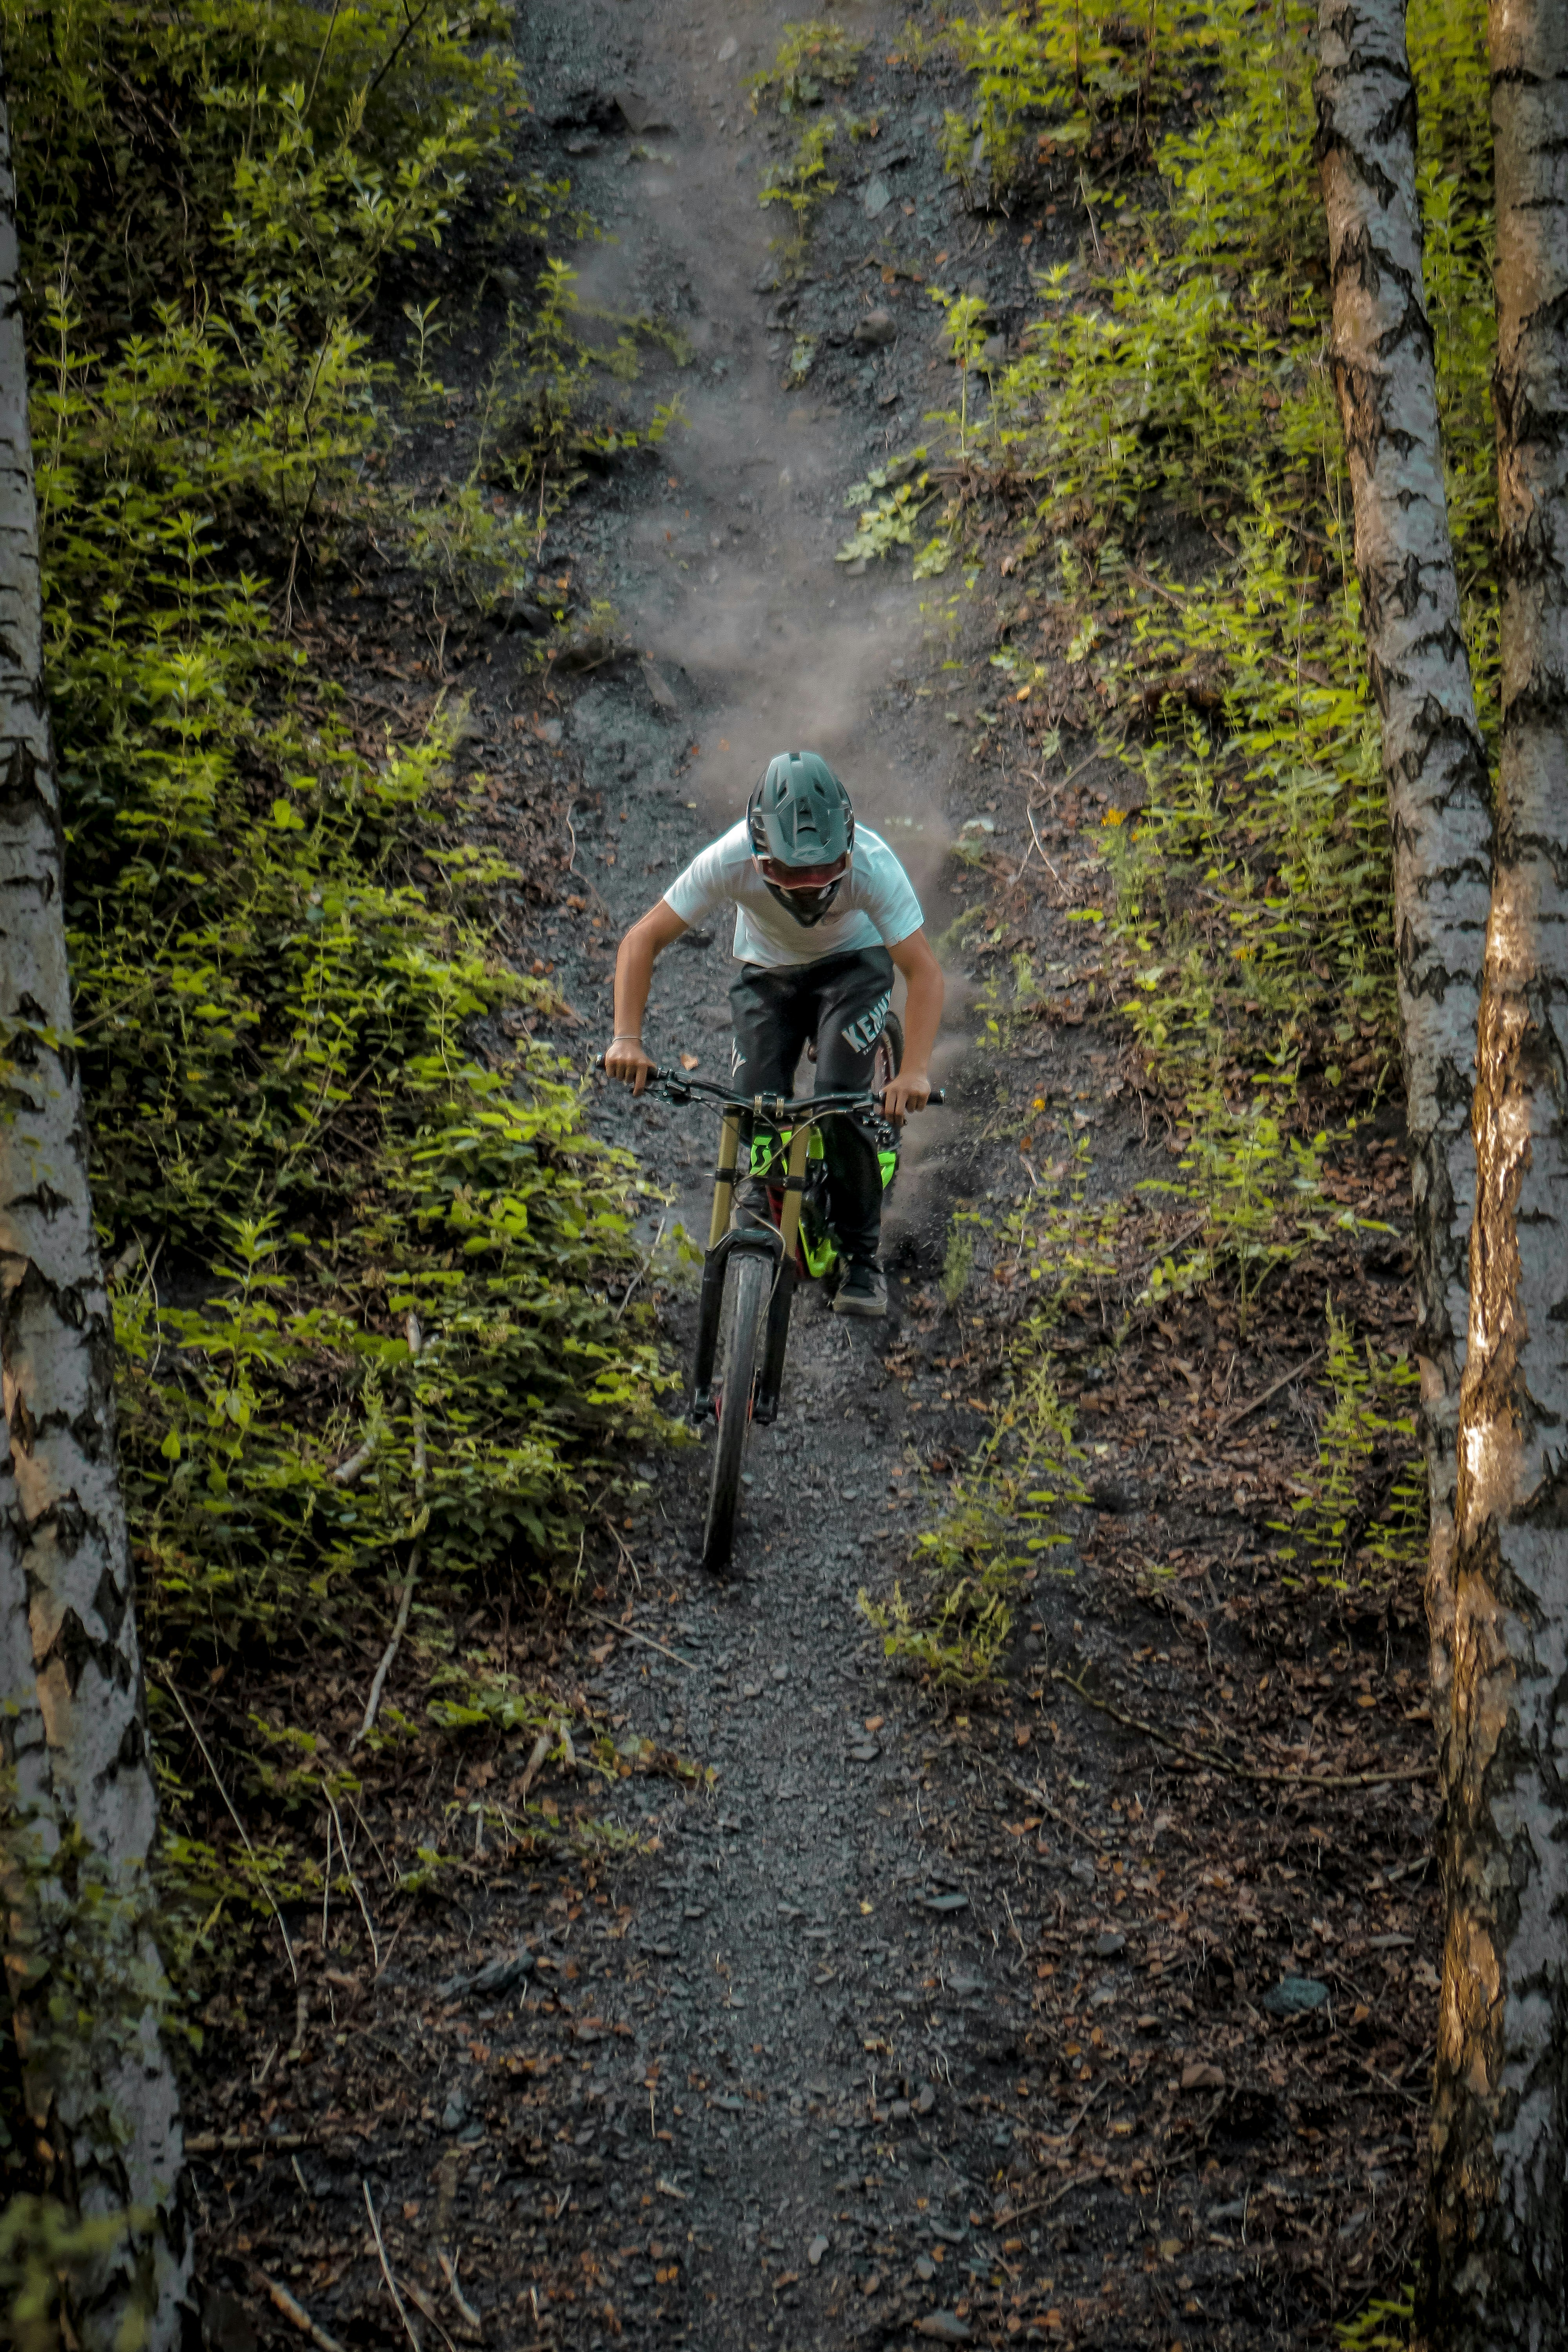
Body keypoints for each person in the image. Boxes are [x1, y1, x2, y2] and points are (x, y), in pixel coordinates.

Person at [604, 750, 944, 1318]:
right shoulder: (728, 857)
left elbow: (923, 972)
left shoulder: (874, 866)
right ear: (759, 854)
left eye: (823, 871)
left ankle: (862, 1257)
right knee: (756, 1102)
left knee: (840, 1103)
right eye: (789, 873)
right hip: (769, 979)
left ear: (848, 846)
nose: (809, 887)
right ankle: (761, 1197)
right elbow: (643, 939)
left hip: (853, 971)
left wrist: (913, 1072)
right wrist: (626, 1039)